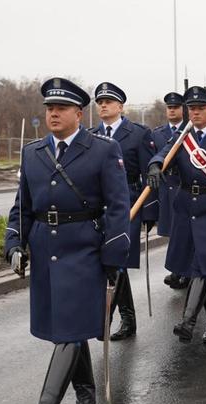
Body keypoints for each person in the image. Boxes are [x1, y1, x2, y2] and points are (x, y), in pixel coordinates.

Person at [4, 77, 130, 404]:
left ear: (79, 112)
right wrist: (14, 243)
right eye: (49, 108)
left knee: (69, 329)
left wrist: (114, 255)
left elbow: (119, 207)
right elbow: (22, 206)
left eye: (60, 108)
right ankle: (86, 400)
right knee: (69, 330)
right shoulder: (33, 152)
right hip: (46, 251)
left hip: (84, 249)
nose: (53, 114)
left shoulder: (103, 150)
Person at [147, 86, 206, 344]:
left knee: (202, 266)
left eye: (201, 108)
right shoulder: (182, 136)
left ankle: (188, 321)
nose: (196, 112)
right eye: (192, 108)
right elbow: (162, 154)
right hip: (187, 209)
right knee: (200, 266)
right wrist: (155, 166)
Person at [90, 81, 157, 341]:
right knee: (112, 263)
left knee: (118, 261)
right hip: (100, 208)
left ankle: (104, 320)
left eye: (108, 102)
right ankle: (128, 319)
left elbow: (147, 176)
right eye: (100, 102)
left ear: (120, 106)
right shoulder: (91, 135)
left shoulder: (138, 134)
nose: (103, 106)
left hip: (129, 202)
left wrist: (149, 214)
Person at [153, 92, 190, 289]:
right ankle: (179, 269)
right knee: (172, 233)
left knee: (183, 232)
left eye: (176, 107)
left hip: (183, 185)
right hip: (166, 189)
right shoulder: (157, 134)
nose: (172, 110)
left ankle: (181, 272)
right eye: (169, 107)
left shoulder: (190, 130)